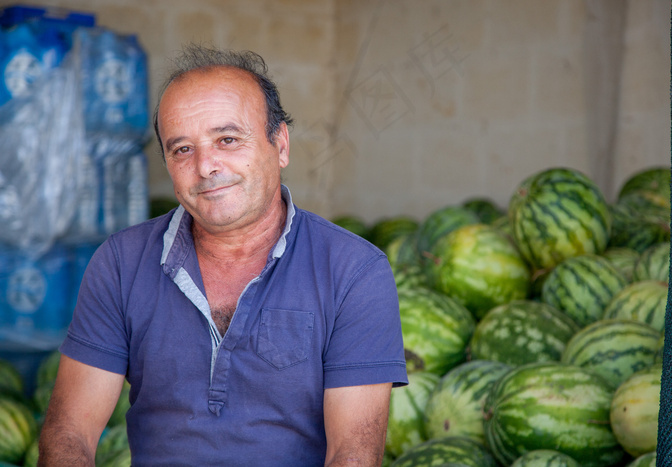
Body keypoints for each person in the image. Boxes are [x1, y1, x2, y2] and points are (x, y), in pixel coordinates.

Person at [38, 45, 408, 466]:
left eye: (227, 139)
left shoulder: (355, 271)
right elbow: (69, 432)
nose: (206, 166)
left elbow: (353, 455)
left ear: (280, 144)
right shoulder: (121, 263)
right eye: (182, 149)